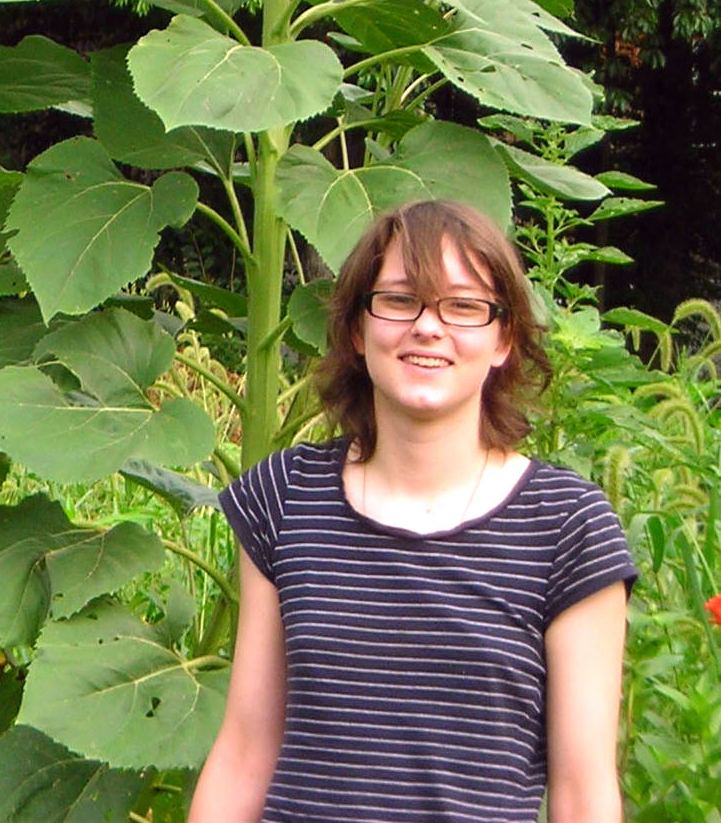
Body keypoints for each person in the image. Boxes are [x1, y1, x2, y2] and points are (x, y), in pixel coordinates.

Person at [187, 199, 637, 823]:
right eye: (399, 300)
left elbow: (583, 793)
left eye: (463, 306)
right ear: (356, 328)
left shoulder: (566, 527)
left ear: (504, 338)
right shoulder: (284, 500)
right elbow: (245, 750)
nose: (428, 327)